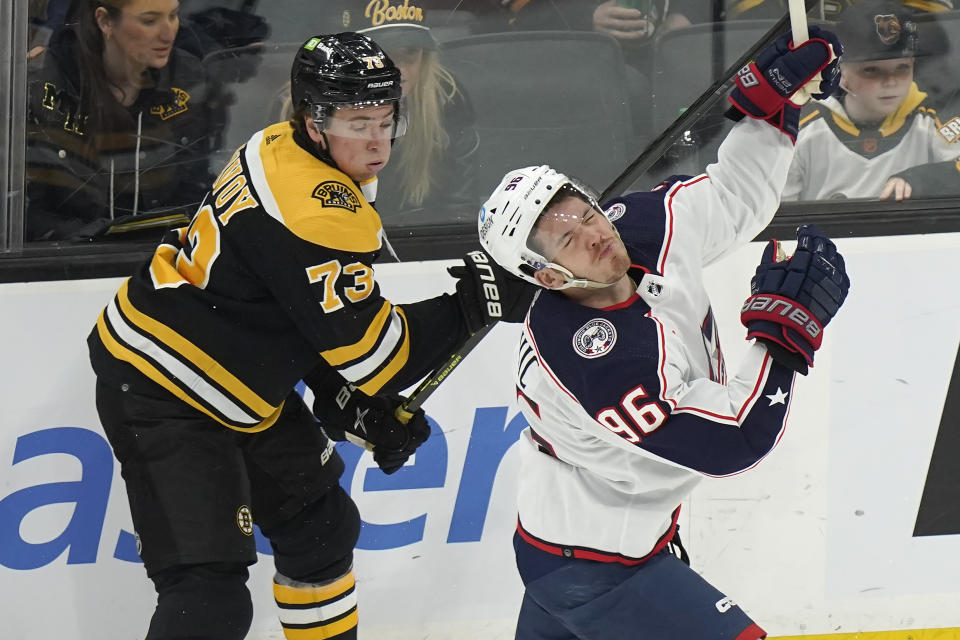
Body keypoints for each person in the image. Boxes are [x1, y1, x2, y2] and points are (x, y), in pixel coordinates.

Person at [87, 32, 534, 640]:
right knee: (209, 593)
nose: (378, 142)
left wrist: (340, 396)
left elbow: (294, 307)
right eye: (358, 122)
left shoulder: (279, 145)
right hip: (162, 387)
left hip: (236, 377)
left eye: (386, 120)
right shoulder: (314, 206)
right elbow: (379, 356)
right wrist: (471, 304)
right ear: (314, 120)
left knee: (320, 531)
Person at [476, 27, 848, 639]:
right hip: (595, 569)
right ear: (544, 274)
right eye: (569, 240)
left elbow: (732, 199)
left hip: (590, 546)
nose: (596, 233)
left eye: (586, 211)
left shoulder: (637, 227)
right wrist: (782, 335)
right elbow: (734, 439)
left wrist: (777, 110)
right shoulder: (595, 358)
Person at [25, 0, 224, 241]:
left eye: (174, 16)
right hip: (67, 263)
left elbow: (196, 184)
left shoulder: (188, 78)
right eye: (149, 21)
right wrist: (99, 240)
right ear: (105, 21)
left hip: (163, 257)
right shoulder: (45, 85)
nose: (168, 32)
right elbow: (26, 211)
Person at [782, 0, 959, 201]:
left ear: (913, 65)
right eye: (872, 70)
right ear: (840, 72)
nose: (890, 81)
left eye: (902, 68)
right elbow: (771, 212)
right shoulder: (802, 129)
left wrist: (921, 180)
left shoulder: (932, 116)